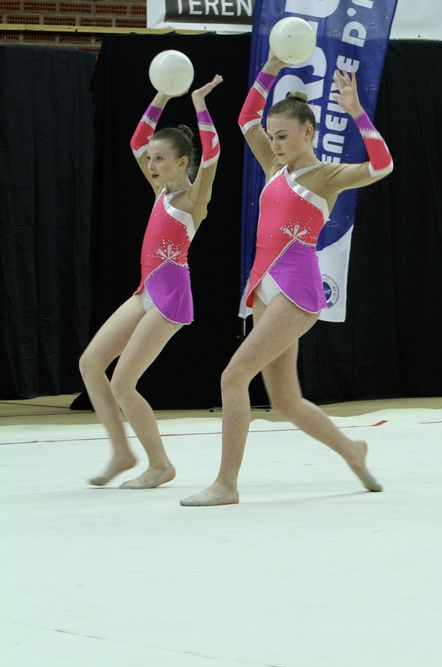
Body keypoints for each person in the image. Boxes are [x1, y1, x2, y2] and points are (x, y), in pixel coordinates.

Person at [179, 52, 393, 506]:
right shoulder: (275, 168)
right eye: (272, 136)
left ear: (308, 132)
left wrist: (356, 112)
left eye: (283, 136)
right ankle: (352, 450)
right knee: (285, 401)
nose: (274, 143)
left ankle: (226, 484)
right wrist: (273, 64)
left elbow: (381, 166)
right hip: (264, 286)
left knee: (234, 375)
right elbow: (245, 119)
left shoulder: (325, 177)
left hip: (296, 290)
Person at [79, 75, 223, 489]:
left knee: (124, 382)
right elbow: (136, 140)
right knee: (91, 364)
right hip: (146, 290)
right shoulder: (159, 191)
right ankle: (122, 452)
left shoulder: (193, 200)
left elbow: (213, 154)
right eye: (151, 159)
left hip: (171, 298)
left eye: (160, 159)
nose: (151, 164)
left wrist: (199, 104)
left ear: (182, 162)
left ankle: (159, 465)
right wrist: (163, 92)